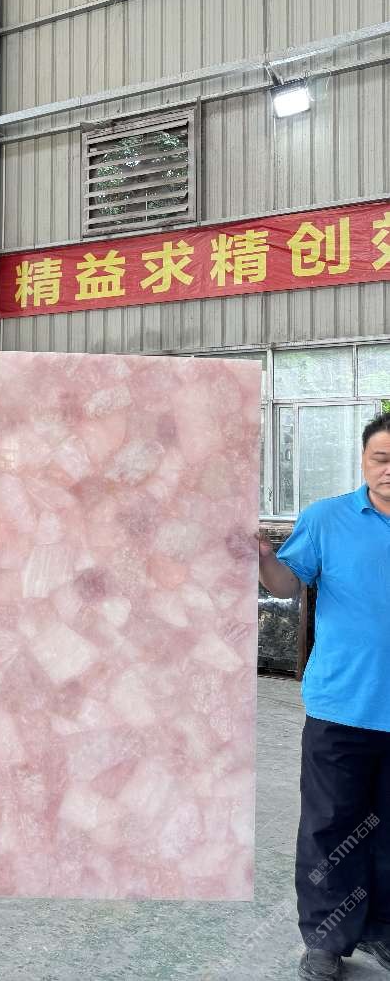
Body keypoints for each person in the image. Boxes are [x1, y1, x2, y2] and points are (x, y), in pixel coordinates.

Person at [258, 410, 390, 981]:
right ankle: (325, 939)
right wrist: (264, 559)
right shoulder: (327, 518)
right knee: (330, 827)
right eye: (381, 458)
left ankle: (381, 931)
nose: (389, 469)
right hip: (343, 705)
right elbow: (289, 584)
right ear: (363, 461)